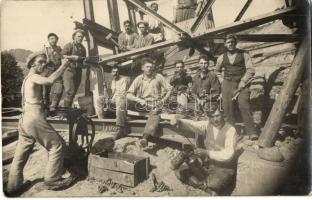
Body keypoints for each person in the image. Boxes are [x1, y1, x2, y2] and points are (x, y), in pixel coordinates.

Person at [6, 52, 78, 195]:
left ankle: (13, 186)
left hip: (24, 119)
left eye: (44, 61)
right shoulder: (33, 77)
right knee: (57, 145)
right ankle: (52, 179)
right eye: (40, 61)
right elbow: (51, 80)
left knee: (21, 153)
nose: (43, 64)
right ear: (32, 63)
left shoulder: (26, 80)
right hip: (34, 117)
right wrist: (65, 64)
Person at [170, 106, 238, 195]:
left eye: (217, 116)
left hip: (224, 168)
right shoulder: (207, 125)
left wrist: (207, 152)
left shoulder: (230, 130)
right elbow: (193, 124)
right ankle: (208, 189)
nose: (215, 120)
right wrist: (179, 121)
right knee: (179, 172)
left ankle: (208, 186)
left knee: (214, 183)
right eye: (212, 117)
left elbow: (228, 154)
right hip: (209, 165)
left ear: (223, 114)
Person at [215, 34, 258, 140]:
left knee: (244, 105)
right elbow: (217, 70)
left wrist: (243, 81)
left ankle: (251, 132)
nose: (230, 44)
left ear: (235, 43)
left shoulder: (244, 54)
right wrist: (222, 81)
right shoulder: (221, 57)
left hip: (241, 84)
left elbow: (251, 70)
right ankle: (231, 133)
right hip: (227, 84)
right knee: (227, 109)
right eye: (228, 42)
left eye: (232, 42)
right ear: (225, 44)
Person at [127, 57, 172, 147]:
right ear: (142, 68)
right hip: (142, 103)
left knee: (155, 112)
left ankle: (145, 137)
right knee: (123, 101)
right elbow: (128, 94)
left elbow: (170, 89)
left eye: (151, 67)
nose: (149, 68)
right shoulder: (138, 79)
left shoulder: (158, 77)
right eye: (147, 67)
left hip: (155, 103)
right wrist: (139, 100)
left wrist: (163, 100)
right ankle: (120, 128)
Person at [62, 29, 87, 109]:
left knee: (74, 91)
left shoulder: (83, 48)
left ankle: (69, 109)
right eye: (78, 36)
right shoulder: (69, 45)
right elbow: (62, 56)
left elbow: (83, 60)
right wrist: (73, 57)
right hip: (69, 70)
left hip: (78, 71)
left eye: (82, 37)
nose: (80, 38)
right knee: (70, 91)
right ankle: (66, 111)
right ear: (74, 37)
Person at [43, 33, 63, 115]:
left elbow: (63, 60)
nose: (53, 40)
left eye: (54, 39)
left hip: (57, 72)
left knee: (59, 89)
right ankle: (46, 109)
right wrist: (45, 61)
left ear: (57, 40)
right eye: (51, 38)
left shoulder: (60, 50)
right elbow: (40, 62)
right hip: (47, 72)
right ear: (48, 40)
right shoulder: (44, 50)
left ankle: (53, 107)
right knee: (45, 92)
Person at [110, 66, 131, 139]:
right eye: (113, 72)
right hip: (116, 98)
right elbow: (113, 92)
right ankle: (101, 120)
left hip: (124, 98)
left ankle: (120, 129)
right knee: (100, 100)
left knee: (120, 103)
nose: (115, 73)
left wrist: (114, 98)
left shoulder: (123, 80)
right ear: (111, 73)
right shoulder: (113, 81)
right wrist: (110, 98)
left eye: (117, 72)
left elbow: (122, 92)